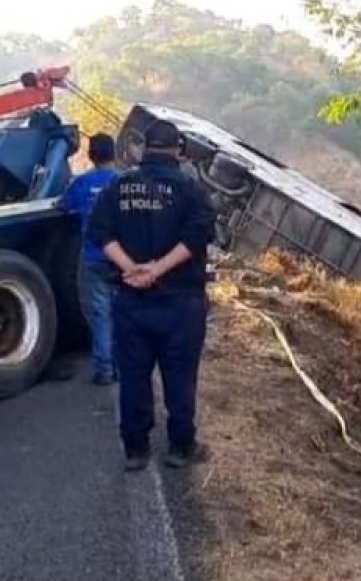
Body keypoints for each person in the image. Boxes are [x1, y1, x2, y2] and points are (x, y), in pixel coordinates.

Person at [88, 120, 215, 471]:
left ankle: (135, 449)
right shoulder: (191, 189)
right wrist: (156, 271)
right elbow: (197, 237)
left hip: (131, 301)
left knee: (133, 376)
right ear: (177, 150)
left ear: (144, 148)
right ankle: (180, 447)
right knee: (179, 376)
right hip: (180, 302)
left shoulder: (118, 187)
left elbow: (100, 233)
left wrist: (132, 270)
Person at [59, 133, 120, 386]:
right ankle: (127, 367)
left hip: (93, 258)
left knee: (100, 313)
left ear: (91, 156)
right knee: (123, 312)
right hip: (122, 259)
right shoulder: (125, 182)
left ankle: (105, 371)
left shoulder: (81, 184)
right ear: (114, 154)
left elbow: (63, 206)